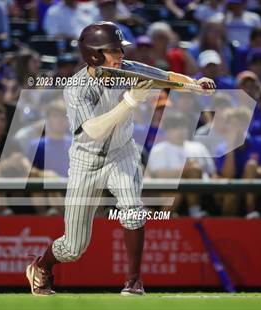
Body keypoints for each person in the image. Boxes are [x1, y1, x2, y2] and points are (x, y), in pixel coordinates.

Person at [25, 21, 215, 296]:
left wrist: (195, 85)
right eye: (114, 50)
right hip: (86, 160)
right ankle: (42, 265)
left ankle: (134, 281)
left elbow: (166, 76)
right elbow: (92, 130)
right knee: (73, 247)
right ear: (94, 54)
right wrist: (129, 102)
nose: (121, 55)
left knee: (133, 207)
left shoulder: (127, 70)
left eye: (119, 49)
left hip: (122, 151)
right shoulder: (77, 87)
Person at [147, 110, 216, 218]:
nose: (180, 130)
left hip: (203, 193)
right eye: (175, 127)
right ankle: (194, 212)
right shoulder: (159, 149)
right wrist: (185, 170)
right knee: (192, 173)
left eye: (183, 126)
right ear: (167, 130)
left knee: (195, 171)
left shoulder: (198, 147)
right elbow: (160, 175)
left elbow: (212, 173)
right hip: (169, 193)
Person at [216, 107, 261, 218]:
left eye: (238, 124)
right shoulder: (221, 149)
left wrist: (252, 171)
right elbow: (228, 175)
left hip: (258, 190)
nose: (234, 128)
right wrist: (231, 147)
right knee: (230, 191)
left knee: (251, 165)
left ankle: (250, 211)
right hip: (232, 192)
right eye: (231, 124)